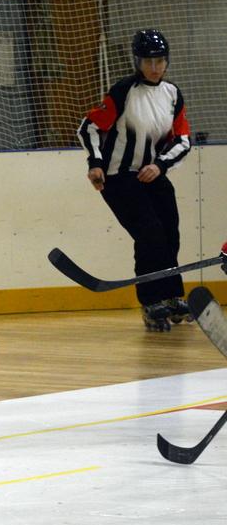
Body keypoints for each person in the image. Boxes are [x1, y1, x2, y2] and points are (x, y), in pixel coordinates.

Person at [77, 29, 192, 332]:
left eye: (160, 61)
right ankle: (151, 302)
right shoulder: (124, 91)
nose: (155, 67)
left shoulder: (172, 94)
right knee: (150, 234)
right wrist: (95, 163)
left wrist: (160, 165)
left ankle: (171, 296)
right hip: (119, 177)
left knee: (169, 233)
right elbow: (89, 127)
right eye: (148, 61)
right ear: (137, 62)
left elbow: (182, 140)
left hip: (151, 173)